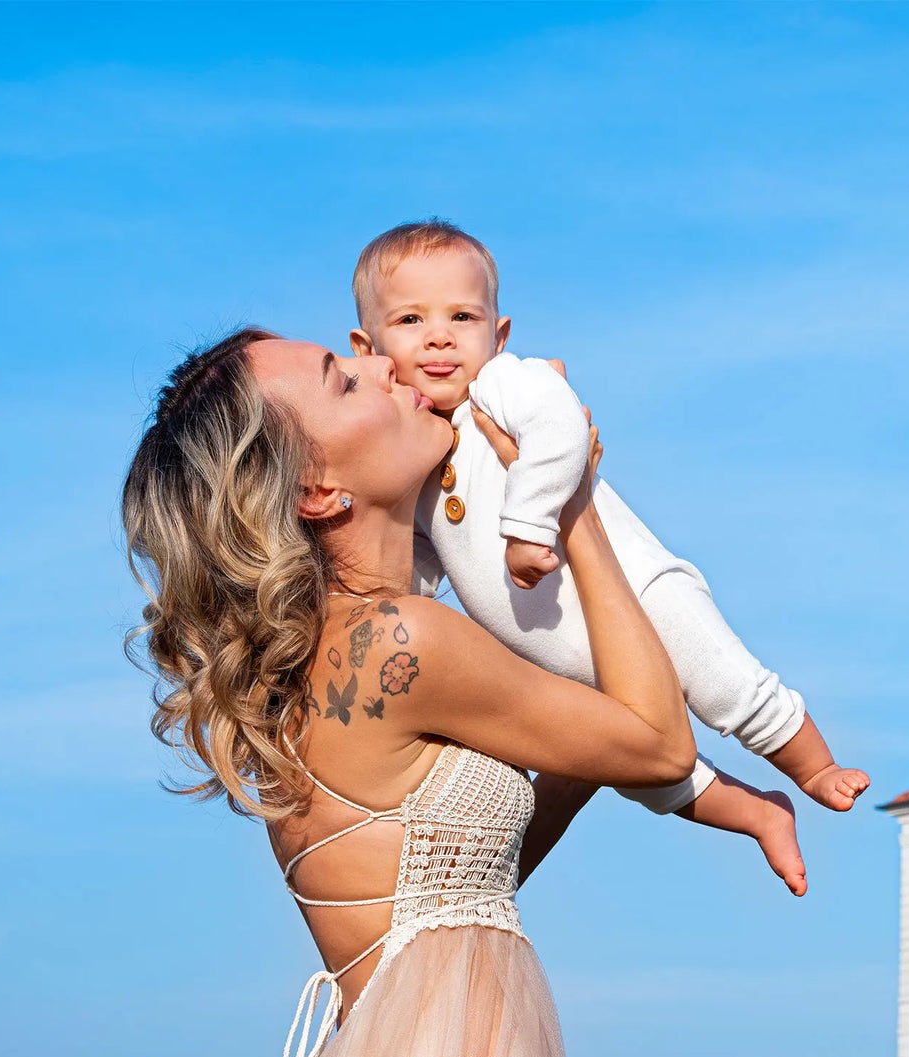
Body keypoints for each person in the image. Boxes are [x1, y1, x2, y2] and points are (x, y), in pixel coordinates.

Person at [122, 325, 696, 1057]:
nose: (388, 362)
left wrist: (584, 752)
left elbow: (461, 879)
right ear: (320, 488)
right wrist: (566, 491)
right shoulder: (400, 641)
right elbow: (661, 741)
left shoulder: (317, 665)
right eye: (345, 379)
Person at [348, 219, 871, 897]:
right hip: (559, 656)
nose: (440, 335)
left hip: (635, 591)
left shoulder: (506, 388)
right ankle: (756, 813)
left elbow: (563, 430)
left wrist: (529, 525)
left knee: (725, 682)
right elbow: (417, 558)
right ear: (369, 346)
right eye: (412, 318)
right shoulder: (415, 451)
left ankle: (813, 766)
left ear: (498, 337)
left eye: (462, 316)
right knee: (642, 773)